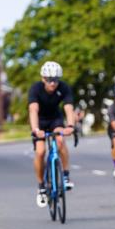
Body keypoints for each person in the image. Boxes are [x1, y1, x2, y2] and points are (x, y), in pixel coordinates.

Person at [28, 61, 77, 207]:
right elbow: (33, 110)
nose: (53, 83)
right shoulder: (35, 89)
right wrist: (36, 129)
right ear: (43, 78)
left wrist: (70, 126)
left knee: (60, 141)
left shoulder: (64, 87)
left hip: (55, 119)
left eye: (56, 80)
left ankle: (66, 176)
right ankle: (41, 186)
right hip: (40, 121)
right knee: (40, 151)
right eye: (49, 80)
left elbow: (68, 108)